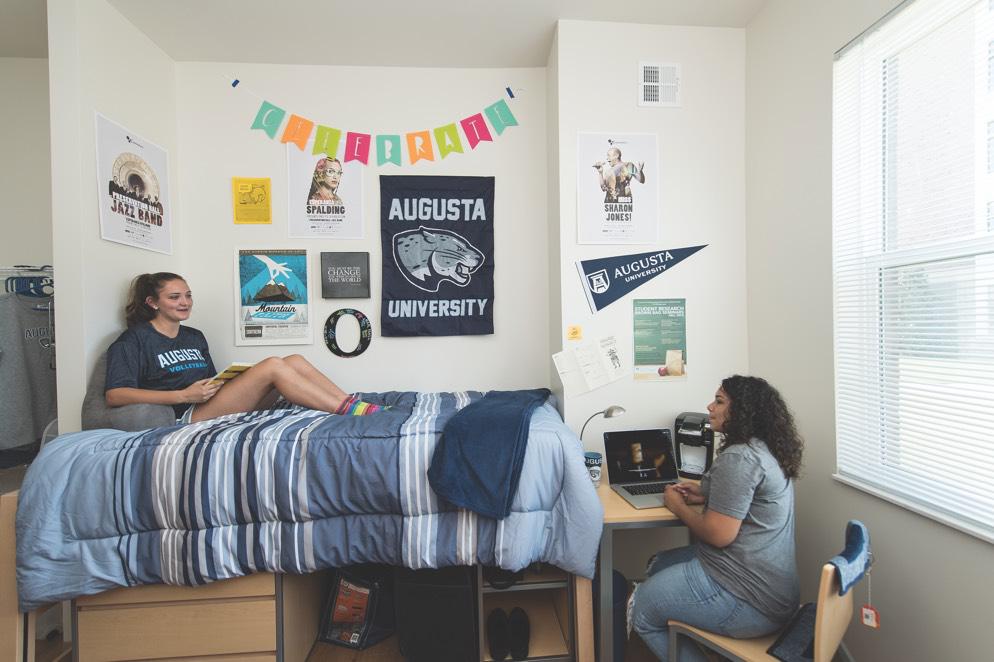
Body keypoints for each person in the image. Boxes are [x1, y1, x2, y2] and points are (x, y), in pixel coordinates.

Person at [630, 375, 803, 661]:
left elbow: (718, 534)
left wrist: (678, 506)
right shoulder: (766, 449)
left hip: (748, 599)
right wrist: (703, 494)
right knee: (657, 564)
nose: (710, 407)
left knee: (640, 610)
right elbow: (744, 499)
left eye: (719, 401)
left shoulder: (741, 458)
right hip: (773, 590)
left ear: (743, 411)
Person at [104, 272, 383, 424]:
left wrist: (224, 381)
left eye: (188, 295)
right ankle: (350, 412)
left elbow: (210, 380)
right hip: (186, 415)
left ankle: (353, 405)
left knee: (294, 360)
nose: (185, 302)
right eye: (174, 297)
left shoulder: (194, 336)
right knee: (273, 365)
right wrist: (182, 395)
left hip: (210, 403)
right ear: (153, 303)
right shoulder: (134, 340)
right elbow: (115, 395)